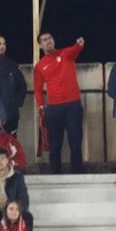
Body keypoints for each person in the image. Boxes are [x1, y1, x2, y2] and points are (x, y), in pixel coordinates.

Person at [34, 33, 86, 173]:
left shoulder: (65, 54)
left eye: (50, 38)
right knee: (55, 145)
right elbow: (38, 90)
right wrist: (40, 105)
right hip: (53, 109)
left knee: (75, 143)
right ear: (40, 45)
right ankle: (55, 176)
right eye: (44, 40)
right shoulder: (40, 65)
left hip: (73, 106)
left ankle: (78, 174)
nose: (48, 41)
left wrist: (79, 43)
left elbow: (75, 49)